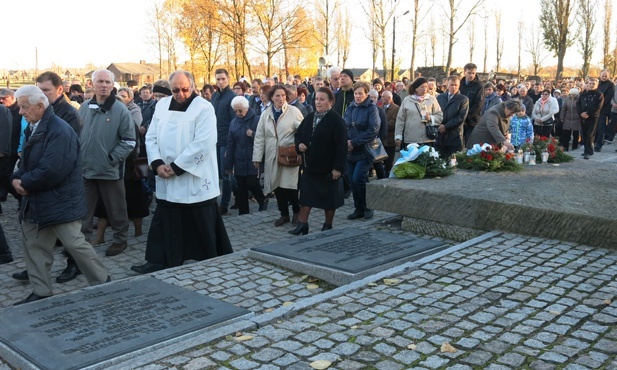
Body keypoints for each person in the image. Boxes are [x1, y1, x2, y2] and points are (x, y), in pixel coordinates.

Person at [11, 85, 110, 305]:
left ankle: (104, 282)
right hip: (37, 201)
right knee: (35, 247)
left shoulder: (59, 130)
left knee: (76, 245)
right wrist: (16, 177)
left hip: (60, 202)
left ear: (40, 105)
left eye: (24, 107)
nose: (20, 112)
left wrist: (23, 182)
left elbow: (53, 170)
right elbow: (26, 161)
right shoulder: (34, 127)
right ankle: (41, 291)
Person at [131, 71, 233, 274]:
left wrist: (177, 167)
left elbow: (203, 143)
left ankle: (209, 260)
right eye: (175, 90)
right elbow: (151, 137)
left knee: (200, 220)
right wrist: (158, 163)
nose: (180, 94)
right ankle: (159, 259)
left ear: (193, 86)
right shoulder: (161, 105)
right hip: (165, 177)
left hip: (192, 177)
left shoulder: (203, 108)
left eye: (185, 89)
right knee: (165, 219)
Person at [78, 69, 136, 257]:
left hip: (110, 170)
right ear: (92, 84)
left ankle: (120, 240)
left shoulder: (120, 110)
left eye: (107, 82)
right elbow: (78, 135)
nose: (104, 85)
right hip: (87, 170)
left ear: (113, 86)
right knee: (83, 212)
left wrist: (112, 158)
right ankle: (81, 245)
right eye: (100, 82)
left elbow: (129, 141)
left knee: (117, 209)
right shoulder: (85, 107)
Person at [95, 87, 148, 243]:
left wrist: (115, 156)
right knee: (104, 205)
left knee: (134, 204)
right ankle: (100, 237)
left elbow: (131, 145)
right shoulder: (105, 120)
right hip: (109, 168)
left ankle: (137, 233)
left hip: (128, 169)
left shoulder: (129, 121)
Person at [290, 87, 347, 235]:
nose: (318, 102)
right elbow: (298, 135)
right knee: (306, 197)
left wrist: (338, 168)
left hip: (328, 168)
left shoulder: (337, 121)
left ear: (331, 102)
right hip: (310, 166)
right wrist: (299, 145)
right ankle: (303, 224)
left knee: (329, 199)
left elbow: (342, 147)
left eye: (322, 99)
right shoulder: (310, 117)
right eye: (316, 99)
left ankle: (328, 225)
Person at [252, 85, 304, 227]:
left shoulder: (294, 112)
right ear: (271, 98)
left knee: (290, 186)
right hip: (272, 155)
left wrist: (299, 146)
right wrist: (257, 157)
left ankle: (296, 212)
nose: (280, 98)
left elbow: (303, 132)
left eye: (283, 95)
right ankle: (284, 214)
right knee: (277, 186)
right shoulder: (266, 113)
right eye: (277, 96)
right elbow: (260, 136)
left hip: (289, 155)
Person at [224, 96, 268, 215]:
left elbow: (264, 138)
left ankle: (262, 199)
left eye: (240, 111)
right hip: (239, 159)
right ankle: (243, 213)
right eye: (236, 111)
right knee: (241, 187)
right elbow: (230, 144)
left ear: (247, 109)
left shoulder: (257, 119)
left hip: (254, 158)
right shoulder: (233, 123)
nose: (238, 113)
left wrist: (253, 134)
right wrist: (228, 164)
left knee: (252, 183)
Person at [345, 82, 380, 221]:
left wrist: (354, 142)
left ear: (366, 94)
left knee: (358, 178)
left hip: (364, 150)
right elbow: (345, 125)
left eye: (360, 93)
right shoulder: (350, 108)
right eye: (356, 93)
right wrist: (346, 142)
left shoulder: (372, 109)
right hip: (350, 151)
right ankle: (358, 208)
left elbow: (373, 130)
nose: (357, 96)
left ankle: (368, 206)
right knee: (352, 180)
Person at [211, 68, 236, 215]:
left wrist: (231, 142)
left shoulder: (232, 96)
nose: (220, 82)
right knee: (218, 173)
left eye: (223, 79)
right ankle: (243, 193)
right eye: (218, 79)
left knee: (226, 173)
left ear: (228, 79)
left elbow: (234, 121)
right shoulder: (214, 96)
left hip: (226, 140)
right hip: (215, 139)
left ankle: (224, 204)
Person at [394, 77, 443, 149]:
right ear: (415, 88)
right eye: (422, 87)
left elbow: (439, 116)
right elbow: (400, 119)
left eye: (426, 87)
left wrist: (430, 118)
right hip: (411, 139)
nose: (424, 89)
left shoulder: (432, 99)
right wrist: (398, 136)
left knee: (426, 159)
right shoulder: (407, 100)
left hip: (427, 139)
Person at [435, 75, 469, 159]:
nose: (454, 87)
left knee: (453, 162)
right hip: (440, 136)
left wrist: (446, 127)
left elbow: (461, 117)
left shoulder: (463, 99)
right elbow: (436, 112)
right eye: (451, 85)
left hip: (454, 135)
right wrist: (439, 125)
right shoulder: (440, 97)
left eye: (456, 85)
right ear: (447, 84)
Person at [577, 78, 604, 159]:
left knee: (590, 134)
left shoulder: (599, 94)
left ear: (597, 85)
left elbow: (598, 106)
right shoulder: (582, 94)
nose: (591, 85)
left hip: (592, 117)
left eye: (593, 84)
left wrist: (588, 114)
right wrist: (581, 113)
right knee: (584, 134)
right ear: (587, 84)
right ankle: (588, 150)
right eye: (590, 83)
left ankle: (587, 152)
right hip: (582, 116)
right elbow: (578, 104)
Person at [458, 63, 483, 144]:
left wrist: (467, 116)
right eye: (469, 73)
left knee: (470, 144)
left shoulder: (479, 86)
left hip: (472, 120)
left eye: (473, 73)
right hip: (459, 119)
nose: (471, 75)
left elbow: (478, 104)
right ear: (465, 72)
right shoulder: (459, 84)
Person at [594, 70, 615, 150]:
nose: (604, 77)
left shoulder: (611, 85)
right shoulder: (597, 83)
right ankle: (594, 142)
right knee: (594, 128)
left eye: (606, 76)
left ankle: (599, 145)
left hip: (604, 109)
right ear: (600, 75)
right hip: (594, 109)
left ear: (608, 76)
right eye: (603, 76)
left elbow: (608, 97)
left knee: (601, 128)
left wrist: (599, 104)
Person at [381, 90, 400, 174]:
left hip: (390, 139)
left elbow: (394, 122)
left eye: (382, 97)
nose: (381, 99)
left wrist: (382, 127)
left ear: (389, 98)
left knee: (389, 160)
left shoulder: (396, 108)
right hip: (382, 139)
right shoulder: (381, 108)